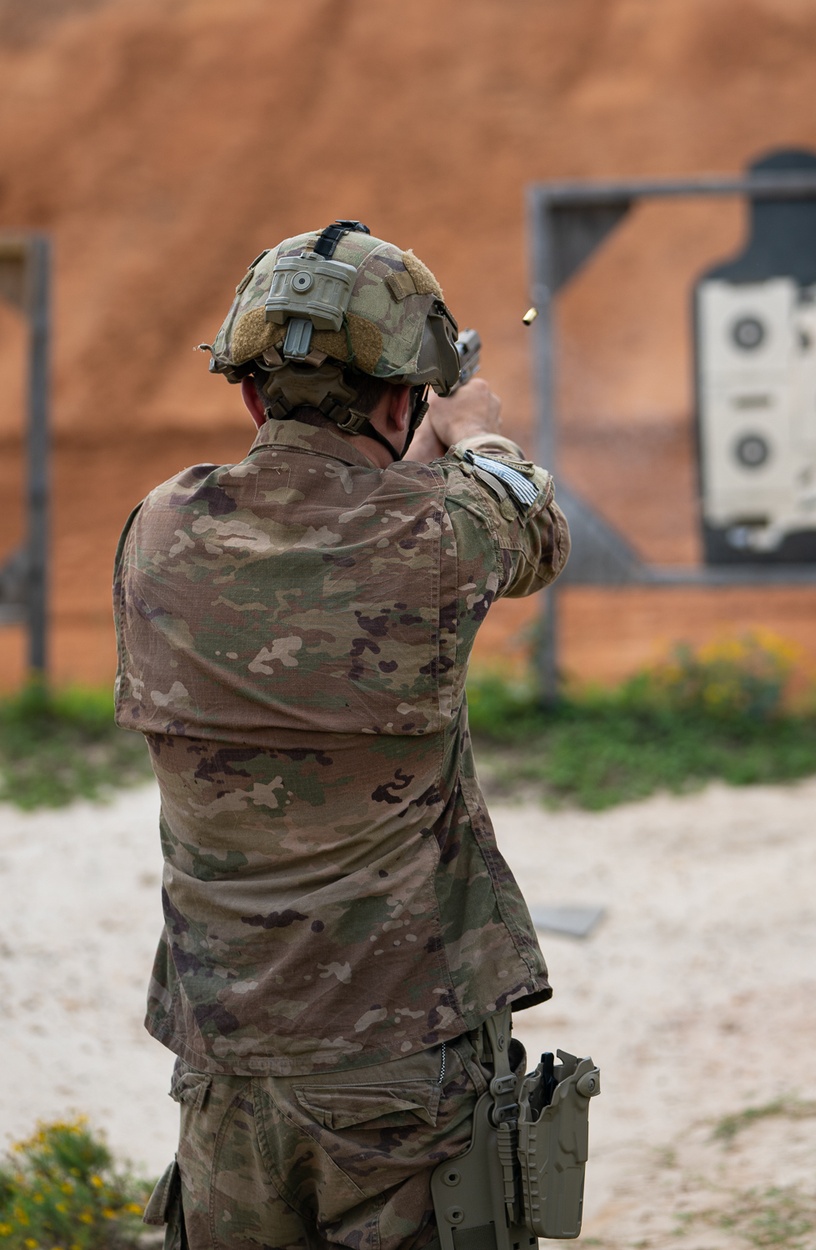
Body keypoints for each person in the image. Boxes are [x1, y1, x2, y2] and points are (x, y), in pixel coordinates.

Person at [113, 221, 570, 1250]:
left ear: (248, 394)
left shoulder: (160, 527)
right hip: (405, 1062)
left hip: (226, 1061)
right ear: (404, 398)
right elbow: (532, 523)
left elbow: (314, 523)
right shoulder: (436, 534)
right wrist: (475, 432)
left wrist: (395, 451)